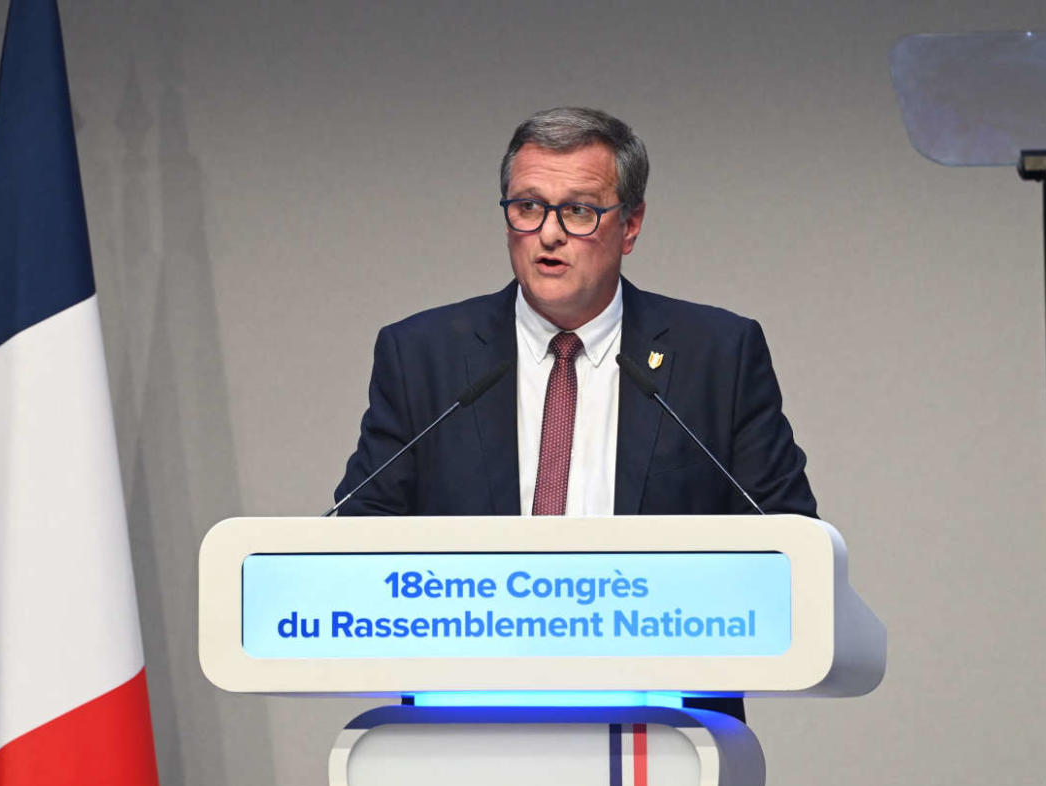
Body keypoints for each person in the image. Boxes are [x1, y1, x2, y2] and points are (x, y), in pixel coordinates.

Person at [334, 106, 816, 520]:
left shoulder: (718, 356)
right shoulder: (421, 356)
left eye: (579, 212)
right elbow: (359, 531)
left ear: (630, 225)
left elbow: (789, 538)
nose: (549, 234)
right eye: (528, 206)